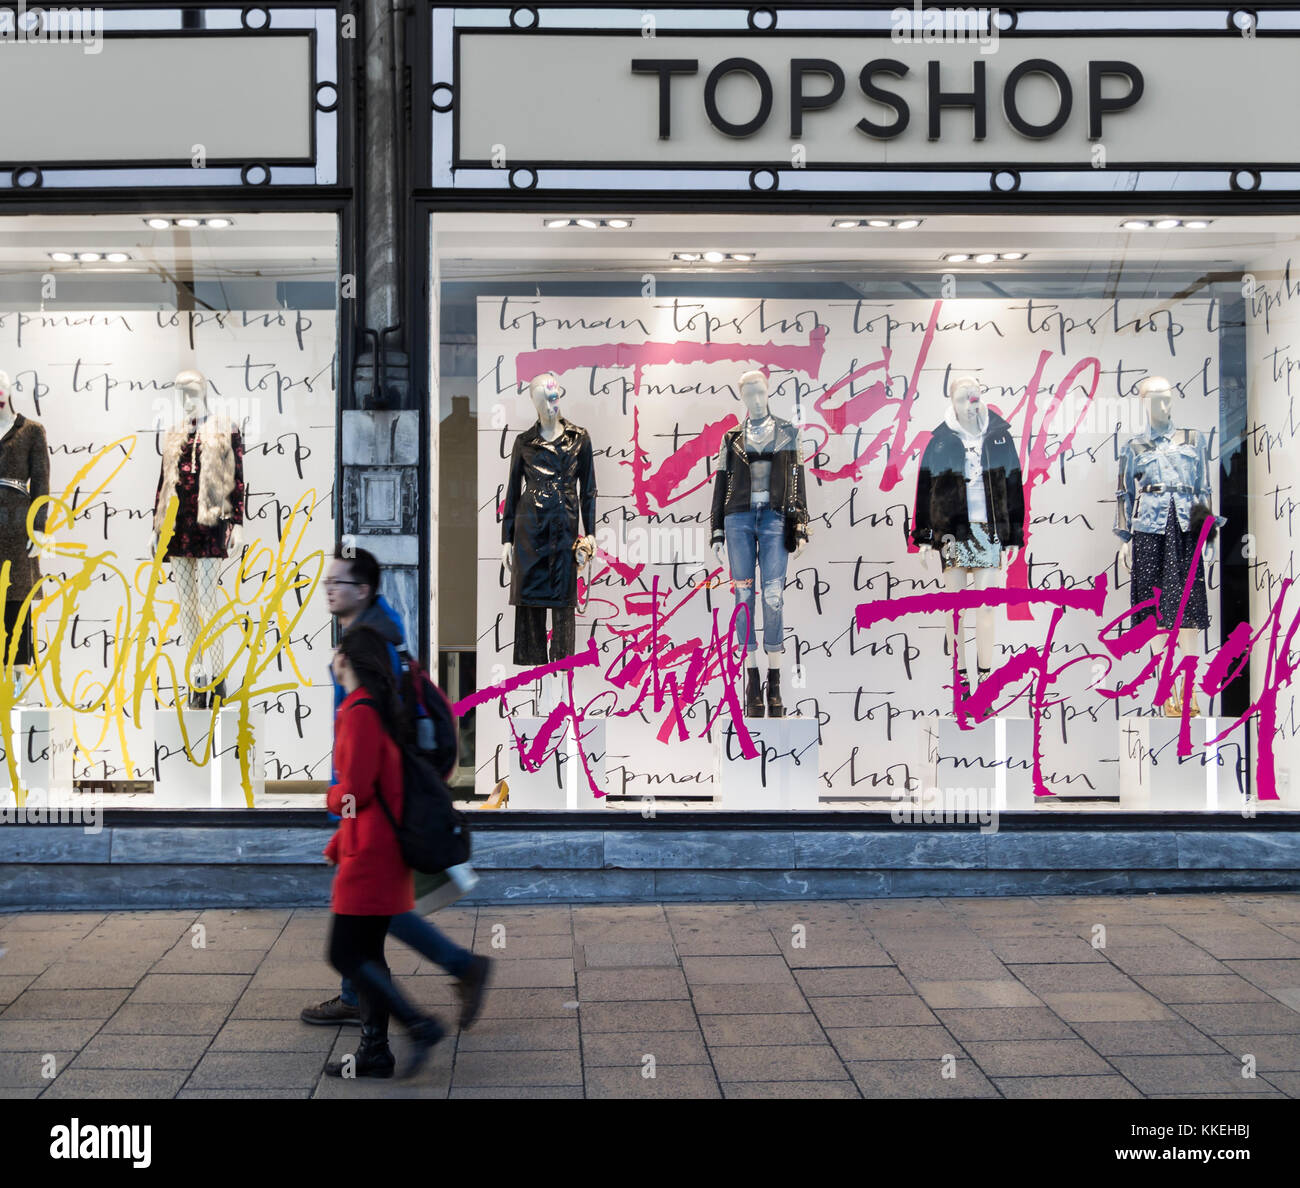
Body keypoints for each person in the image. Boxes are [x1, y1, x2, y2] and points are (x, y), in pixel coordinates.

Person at [302, 545, 491, 1031]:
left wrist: (341, 802)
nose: (329, 588)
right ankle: (370, 999)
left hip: (376, 808)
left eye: (338, 582)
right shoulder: (378, 631)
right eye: (328, 581)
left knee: (374, 912)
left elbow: (367, 744)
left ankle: (400, 1004)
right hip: (377, 804)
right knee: (373, 912)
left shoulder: (367, 644)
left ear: (362, 590)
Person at [323, 627, 444, 1078]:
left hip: (370, 857)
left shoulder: (359, 713)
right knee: (368, 954)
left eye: (338, 649)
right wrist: (337, 842)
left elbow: (356, 791)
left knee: (345, 954)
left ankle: (419, 1025)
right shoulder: (373, 710)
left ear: (349, 660)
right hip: (376, 849)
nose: (334, 655)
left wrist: (330, 798)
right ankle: (375, 1050)